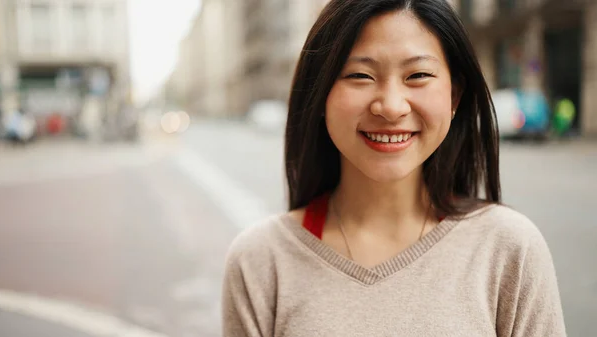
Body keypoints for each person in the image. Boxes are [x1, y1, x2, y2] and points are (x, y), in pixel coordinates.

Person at [221, 0, 566, 336]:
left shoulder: (509, 248)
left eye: (417, 75)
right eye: (359, 75)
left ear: (454, 96)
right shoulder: (260, 261)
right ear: (321, 94)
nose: (390, 106)